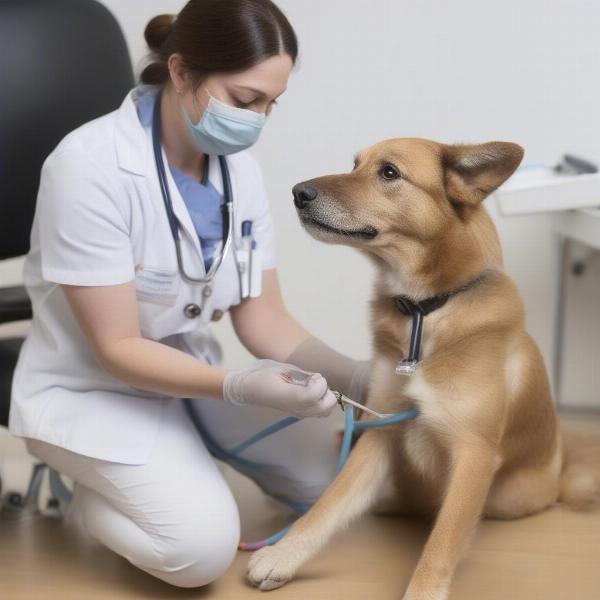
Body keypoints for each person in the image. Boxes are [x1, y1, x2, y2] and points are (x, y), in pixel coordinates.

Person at [9, 0, 371, 589]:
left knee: (332, 486)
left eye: (271, 104)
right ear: (180, 73)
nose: (258, 120)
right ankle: (90, 501)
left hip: (187, 374)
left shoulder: (237, 173)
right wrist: (237, 384)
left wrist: (356, 376)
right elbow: (117, 348)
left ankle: (179, 460)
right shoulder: (89, 166)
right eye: (246, 100)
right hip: (92, 390)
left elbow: (263, 320)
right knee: (197, 554)